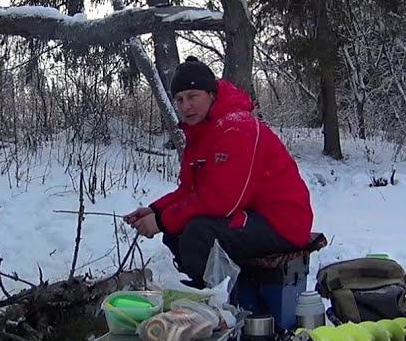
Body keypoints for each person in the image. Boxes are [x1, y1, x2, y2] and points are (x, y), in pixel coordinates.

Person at [124, 58, 314, 288]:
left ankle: (213, 302)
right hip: (252, 214)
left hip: (282, 223)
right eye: (180, 100)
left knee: (197, 233)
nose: (185, 107)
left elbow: (223, 200)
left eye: (193, 96)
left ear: (211, 94)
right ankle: (210, 289)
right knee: (176, 231)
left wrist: (162, 220)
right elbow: (191, 190)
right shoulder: (202, 133)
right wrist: (155, 210)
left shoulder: (237, 126)